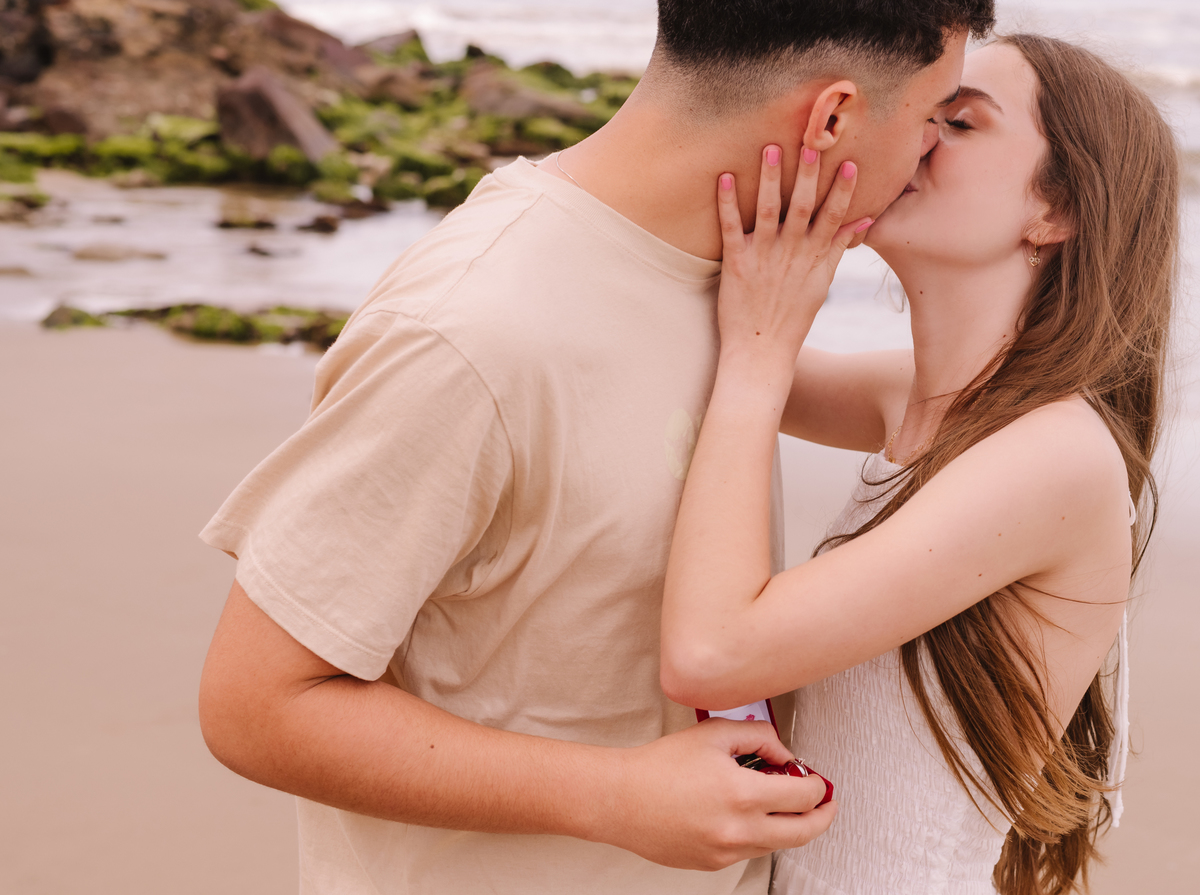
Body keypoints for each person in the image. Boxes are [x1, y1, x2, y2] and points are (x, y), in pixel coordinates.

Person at [196, 2, 995, 893]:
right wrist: (614, 794)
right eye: (934, 118)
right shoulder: (472, 335)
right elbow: (255, 706)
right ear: (832, 117)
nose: (930, 153)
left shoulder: (738, 278)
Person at [660, 33, 1179, 895]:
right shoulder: (924, 402)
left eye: (963, 122)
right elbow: (696, 335)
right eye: (921, 110)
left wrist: (762, 353)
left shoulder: (1056, 455)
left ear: (1054, 212)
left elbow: (713, 651)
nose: (918, 136)